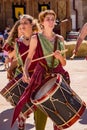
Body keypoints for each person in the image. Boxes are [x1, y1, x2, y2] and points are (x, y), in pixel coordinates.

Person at [12, 10, 70, 130]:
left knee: (58, 111)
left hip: (57, 76)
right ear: (42, 22)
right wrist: (25, 71)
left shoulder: (60, 39)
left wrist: (59, 57)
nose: (50, 21)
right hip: (41, 77)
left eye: (52, 19)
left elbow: (64, 63)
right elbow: (29, 58)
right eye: (47, 19)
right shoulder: (36, 38)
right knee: (40, 109)